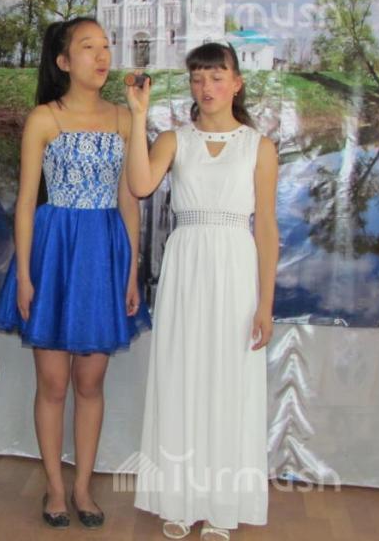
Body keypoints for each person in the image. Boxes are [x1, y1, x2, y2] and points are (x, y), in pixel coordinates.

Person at [0, 17, 151, 529]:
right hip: (54, 250)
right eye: (88, 47)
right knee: (53, 382)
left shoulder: (124, 118)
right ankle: (54, 488)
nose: (102, 56)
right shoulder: (45, 118)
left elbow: (130, 201)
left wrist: (131, 271)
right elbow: (25, 203)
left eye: (106, 46)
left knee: (90, 381)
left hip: (103, 254)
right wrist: (23, 274)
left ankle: (83, 486)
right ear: (63, 61)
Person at [126, 42, 279, 540]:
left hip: (235, 268)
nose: (206, 87)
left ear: (236, 82)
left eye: (216, 76)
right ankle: (179, 497)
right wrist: (138, 117)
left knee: (228, 382)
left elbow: (266, 228)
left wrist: (265, 304)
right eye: (197, 78)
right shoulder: (175, 139)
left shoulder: (259, 147)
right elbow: (141, 184)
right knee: (181, 375)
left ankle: (221, 503)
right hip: (186, 265)